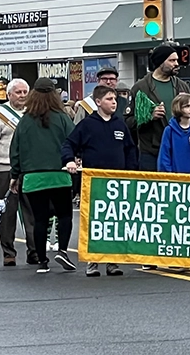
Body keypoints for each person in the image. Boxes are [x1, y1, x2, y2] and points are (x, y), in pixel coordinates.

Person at [61, 84, 139, 277]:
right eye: (109, 99)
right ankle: (92, 262)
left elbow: (130, 150)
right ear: (98, 102)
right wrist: (69, 160)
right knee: (94, 222)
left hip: (118, 182)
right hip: (94, 182)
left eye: (114, 99)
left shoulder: (120, 124)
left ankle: (112, 261)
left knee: (116, 221)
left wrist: (132, 172)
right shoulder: (87, 124)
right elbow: (69, 144)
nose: (114, 103)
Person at [9, 77, 77, 274]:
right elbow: (72, 141)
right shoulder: (62, 118)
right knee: (64, 215)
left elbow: (16, 149)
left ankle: (42, 261)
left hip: (32, 177)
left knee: (39, 219)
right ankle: (62, 250)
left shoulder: (25, 121)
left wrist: (15, 174)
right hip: (59, 174)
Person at [0, 79, 38, 266]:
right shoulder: (0, 115)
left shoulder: (34, 113)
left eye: (25, 92)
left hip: (29, 169)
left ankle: (34, 251)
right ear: (10, 94)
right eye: (18, 92)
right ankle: (8, 252)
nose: (22, 96)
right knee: (7, 213)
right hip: (5, 168)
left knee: (32, 214)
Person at [128, 45, 190, 171]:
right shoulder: (141, 88)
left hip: (178, 149)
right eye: (172, 60)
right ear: (160, 62)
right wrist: (149, 116)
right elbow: (128, 122)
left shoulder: (182, 86)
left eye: (177, 60)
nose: (177, 64)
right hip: (152, 152)